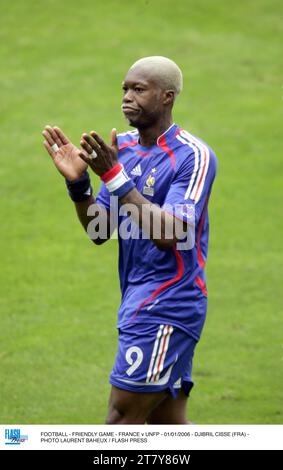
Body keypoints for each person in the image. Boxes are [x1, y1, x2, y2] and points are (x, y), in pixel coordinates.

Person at [42, 56, 217, 424]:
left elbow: (170, 233)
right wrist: (78, 185)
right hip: (139, 298)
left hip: (168, 303)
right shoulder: (121, 148)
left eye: (139, 89)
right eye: (124, 88)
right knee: (167, 425)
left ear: (166, 97)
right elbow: (100, 231)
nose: (127, 97)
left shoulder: (193, 156)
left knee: (121, 421)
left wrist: (115, 176)